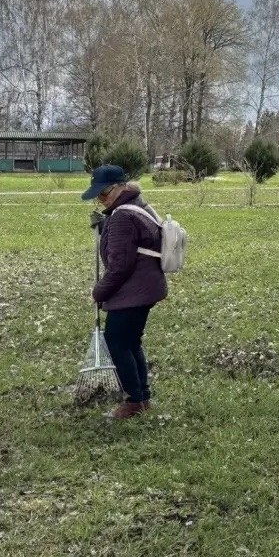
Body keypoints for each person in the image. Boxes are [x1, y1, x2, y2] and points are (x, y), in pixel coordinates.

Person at [84, 164, 168, 420]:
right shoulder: (137, 206)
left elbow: (120, 266)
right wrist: (105, 226)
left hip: (133, 291)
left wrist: (99, 292)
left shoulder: (122, 217)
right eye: (98, 195)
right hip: (145, 288)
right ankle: (141, 396)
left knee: (118, 343)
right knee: (131, 342)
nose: (101, 199)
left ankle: (134, 401)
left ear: (120, 188)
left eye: (104, 193)